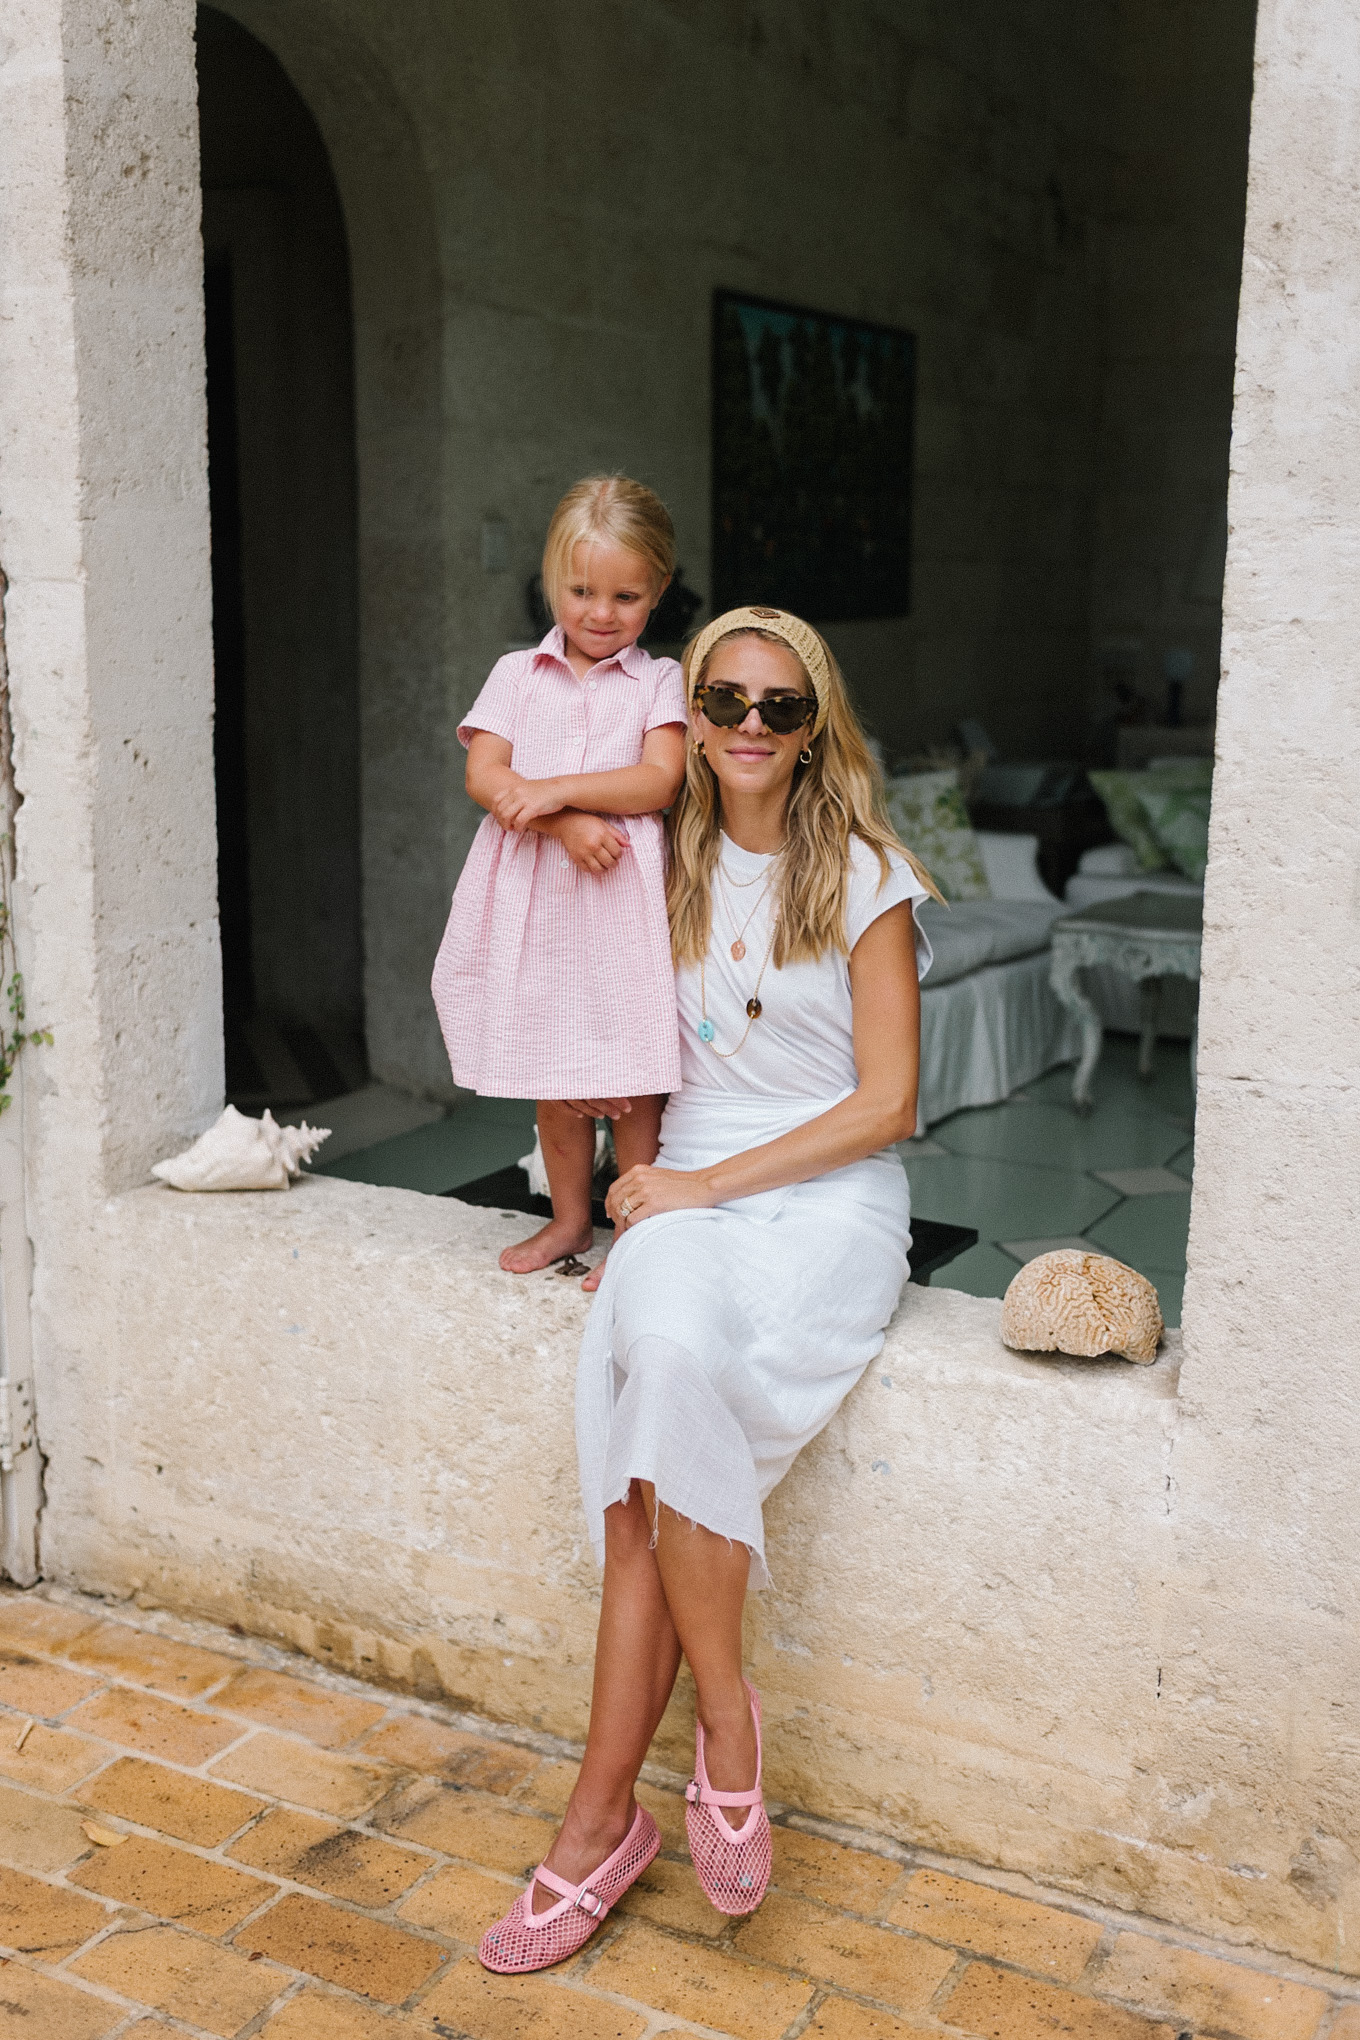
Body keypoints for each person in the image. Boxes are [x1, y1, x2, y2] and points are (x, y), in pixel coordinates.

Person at [478, 605, 939, 1974]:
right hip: (678, 1185)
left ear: (814, 729)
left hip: (825, 1197)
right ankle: (717, 1726)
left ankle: (605, 1819)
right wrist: (626, 1188)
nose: (747, 725)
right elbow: (518, 842)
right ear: (692, 719)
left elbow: (890, 1105)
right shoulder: (652, 855)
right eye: (723, 700)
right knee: (667, 1377)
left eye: (778, 707)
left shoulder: (865, 876)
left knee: (646, 1493)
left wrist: (699, 1188)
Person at [432, 476, 688, 1277]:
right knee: (556, 1070)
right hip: (538, 904)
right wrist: (564, 822)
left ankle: (637, 1236)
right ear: (552, 580)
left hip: (620, 906)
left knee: (635, 1077)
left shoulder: (660, 680)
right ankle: (571, 1221)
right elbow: (485, 775)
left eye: (625, 596)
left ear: (658, 592)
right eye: (581, 591)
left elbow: (659, 780)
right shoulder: (517, 674)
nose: (600, 613)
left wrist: (557, 791)